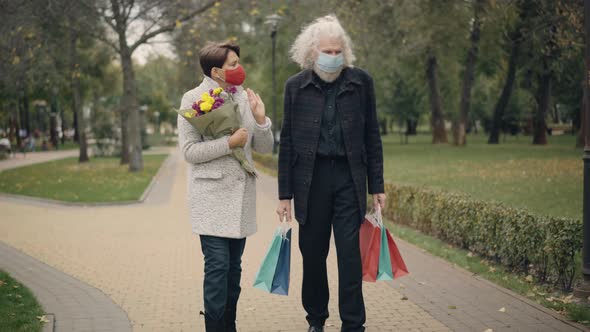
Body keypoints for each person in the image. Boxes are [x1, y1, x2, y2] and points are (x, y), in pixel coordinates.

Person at [276, 15, 386, 332]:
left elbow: (372, 137)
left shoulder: (361, 82)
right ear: (312, 52)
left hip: (350, 179)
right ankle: (316, 320)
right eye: (327, 50)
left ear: (345, 52)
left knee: (350, 257)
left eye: (338, 51)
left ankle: (353, 323)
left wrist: (377, 185)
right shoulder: (295, 87)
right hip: (310, 181)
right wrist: (284, 195)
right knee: (313, 255)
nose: (332, 56)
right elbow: (288, 143)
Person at [177, 41, 274, 332]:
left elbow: (265, 149)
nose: (239, 68)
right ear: (217, 71)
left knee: (233, 272)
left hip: (241, 199)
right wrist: (227, 144)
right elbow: (190, 152)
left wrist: (261, 119)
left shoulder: (244, 97)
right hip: (211, 200)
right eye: (233, 64)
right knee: (217, 268)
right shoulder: (192, 98)